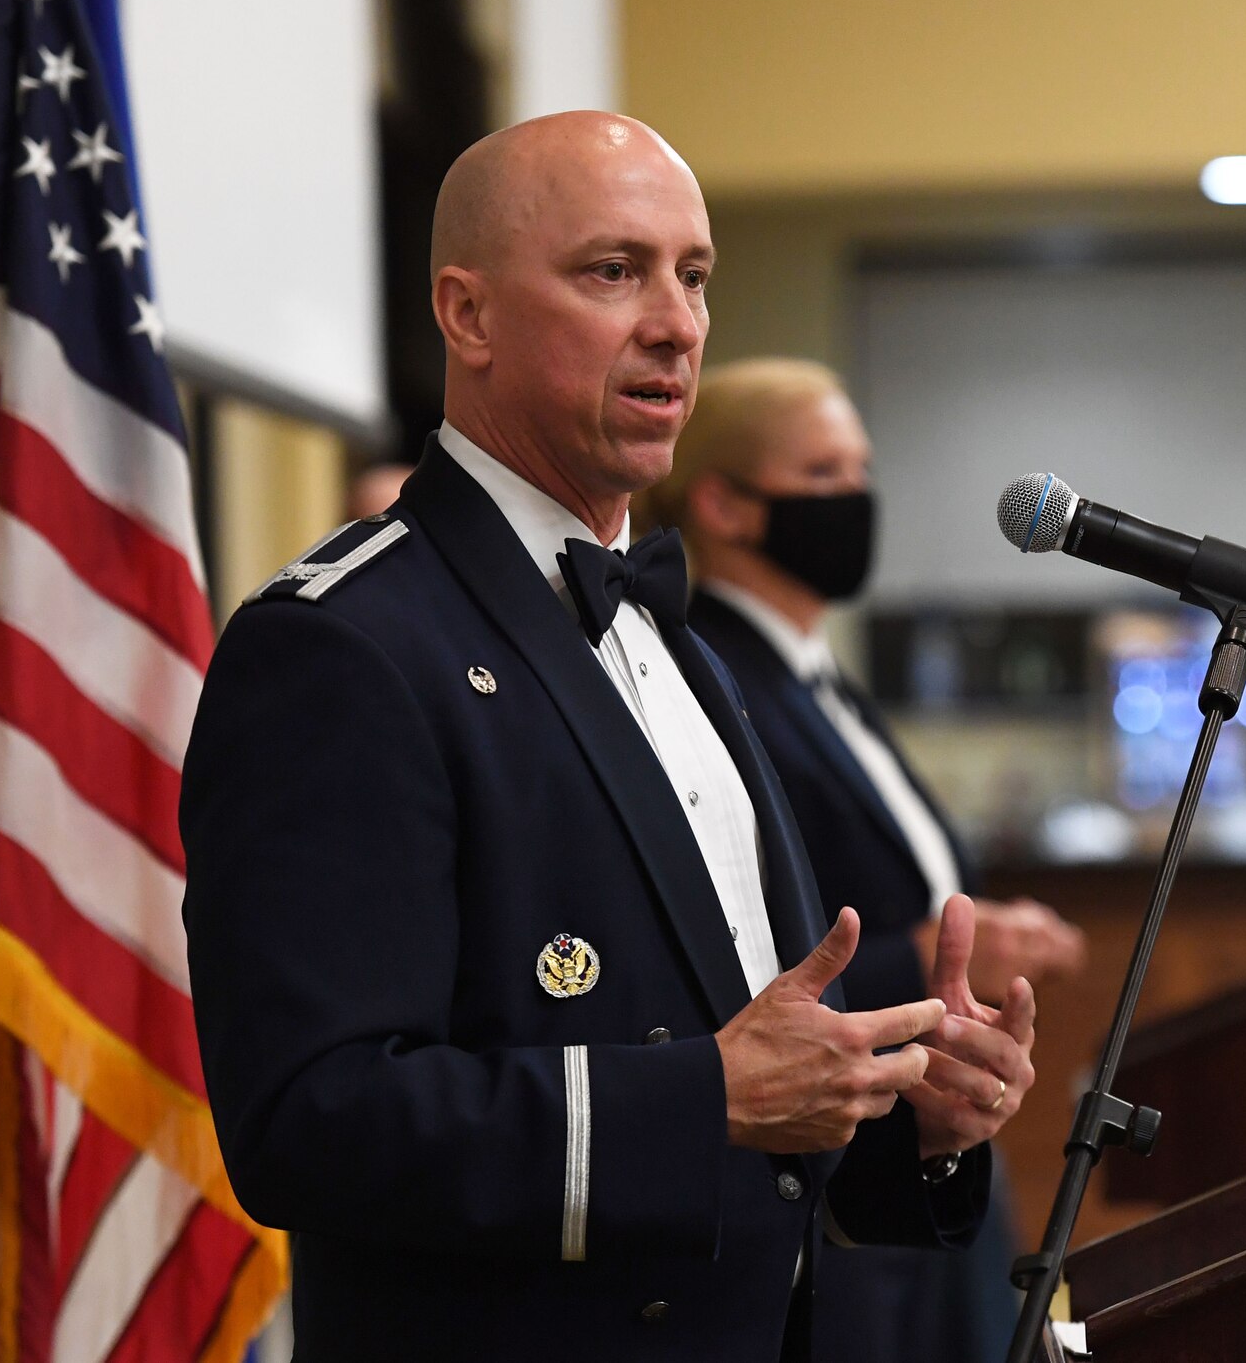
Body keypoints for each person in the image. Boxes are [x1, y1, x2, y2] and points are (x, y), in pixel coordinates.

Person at [179, 113, 1038, 1362]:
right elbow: (308, 1120)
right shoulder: (343, 644)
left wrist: (918, 1115)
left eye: (692, 276)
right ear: (466, 316)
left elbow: (761, 1087)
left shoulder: (678, 640)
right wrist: (704, 1098)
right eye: (611, 270)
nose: (676, 323)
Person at [640, 358, 1086, 1363]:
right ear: (721, 501)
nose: (856, 497)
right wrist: (916, 951)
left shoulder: (812, 672)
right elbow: (754, 932)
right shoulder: (709, 668)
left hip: (927, 1131)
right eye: (824, 471)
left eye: (861, 468)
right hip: (837, 1152)